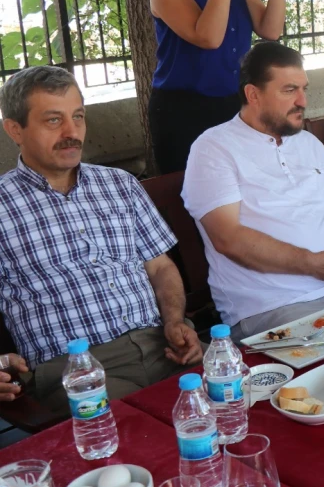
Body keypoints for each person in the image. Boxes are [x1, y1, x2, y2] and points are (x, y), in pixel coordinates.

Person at [0, 66, 202, 418]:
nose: (71, 132)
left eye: (78, 117)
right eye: (53, 120)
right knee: (142, 445)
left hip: (162, 345)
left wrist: (175, 321)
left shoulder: (119, 184)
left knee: (242, 403)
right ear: (15, 129)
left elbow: (160, 265)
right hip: (78, 370)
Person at [182, 42, 324, 341]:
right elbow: (228, 238)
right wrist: (312, 264)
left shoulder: (308, 144)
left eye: (304, 89)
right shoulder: (215, 148)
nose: (302, 100)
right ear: (253, 94)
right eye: (289, 90)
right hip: (274, 305)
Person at [148, 0, 286, 174]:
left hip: (234, 103)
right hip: (184, 110)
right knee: (192, 199)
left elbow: (270, 30)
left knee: (241, 188)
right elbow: (208, 38)